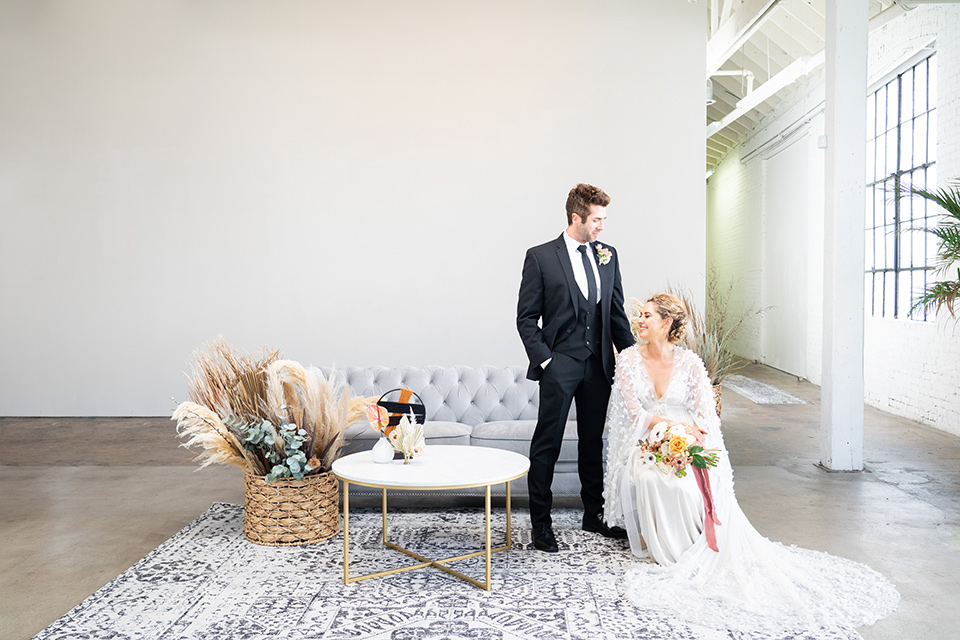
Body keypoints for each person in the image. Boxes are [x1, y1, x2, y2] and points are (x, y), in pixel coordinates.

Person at [603, 292, 900, 633]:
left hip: (686, 437)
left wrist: (690, 436)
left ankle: (690, 551)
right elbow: (634, 412)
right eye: (640, 316)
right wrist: (669, 431)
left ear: (667, 322)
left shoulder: (690, 363)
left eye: (647, 316)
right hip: (649, 437)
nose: (639, 321)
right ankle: (664, 551)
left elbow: (703, 415)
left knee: (683, 484)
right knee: (653, 478)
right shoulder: (627, 359)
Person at [517, 183, 636, 553]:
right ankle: (541, 525)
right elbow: (526, 319)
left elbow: (616, 316)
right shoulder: (541, 257)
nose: (602, 226)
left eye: (603, 219)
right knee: (547, 444)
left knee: (591, 442)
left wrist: (631, 361)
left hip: (598, 365)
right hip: (560, 365)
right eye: (597, 219)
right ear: (576, 218)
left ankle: (593, 515)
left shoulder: (608, 255)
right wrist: (548, 360)